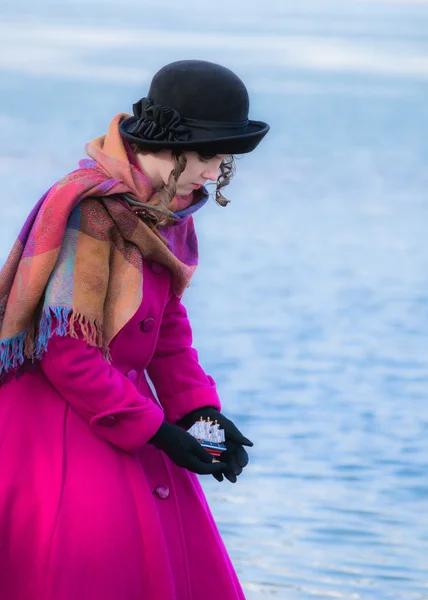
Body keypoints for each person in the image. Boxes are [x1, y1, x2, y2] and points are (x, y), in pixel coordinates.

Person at [0, 59, 270, 600]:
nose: (216, 173)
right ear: (175, 149)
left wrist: (198, 411)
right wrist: (156, 430)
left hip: (123, 411)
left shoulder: (163, 211)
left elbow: (165, 324)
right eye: (214, 157)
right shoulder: (90, 212)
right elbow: (65, 352)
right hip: (59, 423)